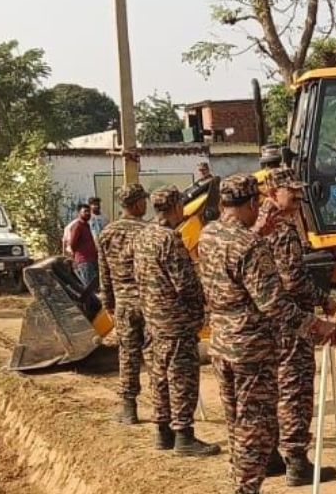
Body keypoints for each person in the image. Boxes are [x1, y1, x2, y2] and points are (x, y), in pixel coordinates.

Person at [196, 174, 336, 494]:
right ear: (251, 203)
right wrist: (318, 326)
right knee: (255, 429)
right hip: (250, 350)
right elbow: (275, 304)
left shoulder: (209, 234)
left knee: (237, 424)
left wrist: (258, 235)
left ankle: (239, 481)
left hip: (221, 344)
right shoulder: (249, 244)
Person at [257, 167, 336, 486]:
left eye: (298, 188)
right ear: (272, 191)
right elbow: (292, 280)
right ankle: (296, 462)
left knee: (273, 387)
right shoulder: (280, 226)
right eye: (291, 189)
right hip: (290, 319)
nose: (298, 193)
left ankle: (272, 456)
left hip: (267, 319)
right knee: (294, 388)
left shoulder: (258, 222)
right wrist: (322, 298)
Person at [133, 185, 220, 457]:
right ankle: (184, 436)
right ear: (174, 208)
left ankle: (163, 432)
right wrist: (201, 307)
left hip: (153, 319)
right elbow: (184, 284)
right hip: (176, 321)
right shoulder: (170, 239)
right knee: (181, 377)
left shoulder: (142, 236)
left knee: (159, 376)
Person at [96, 183, 148, 425]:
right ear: (137, 204)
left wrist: (108, 304)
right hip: (149, 301)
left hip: (123, 304)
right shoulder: (149, 232)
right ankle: (163, 410)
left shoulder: (106, 233)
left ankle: (129, 408)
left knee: (128, 355)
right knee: (154, 355)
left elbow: (104, 274)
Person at [63, 203, 99, 286]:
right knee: (89, 286)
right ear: (79, 213)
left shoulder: (86, 225)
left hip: (91, 259)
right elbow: (72, 244)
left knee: (94, 286)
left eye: (89, 211)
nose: (88, 213)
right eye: (85, 211)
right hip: (84, 260)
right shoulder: (77, 226)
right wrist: (77, 256)